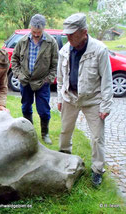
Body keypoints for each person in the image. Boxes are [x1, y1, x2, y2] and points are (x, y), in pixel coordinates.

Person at [57, 13, 113, 186]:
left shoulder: (100, 50)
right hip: (69, 97)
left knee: (97, 138)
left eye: (72, 34)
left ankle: (97, 170)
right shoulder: (64, 50)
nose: (68, 37)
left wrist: (105, 105)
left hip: (93, 100)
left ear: (84, 32)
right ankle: (65, 159)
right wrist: (60, 97)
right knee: (65, 132)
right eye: (66, 33)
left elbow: (107, 80)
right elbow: (60, 78)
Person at [11, 14, 58, 144]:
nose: (36, 35)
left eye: (39, 32)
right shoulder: (22, 41)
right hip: (25, 81)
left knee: (43, 110)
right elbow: (14, 59)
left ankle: (45, 133)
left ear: (43, 29)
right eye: (34, 32)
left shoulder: (51, 42)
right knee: (26, 107)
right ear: (30, 28)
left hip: (42, 82)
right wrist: (19, 74)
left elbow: (55, 64)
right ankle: (29, 132)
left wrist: (49, 79)